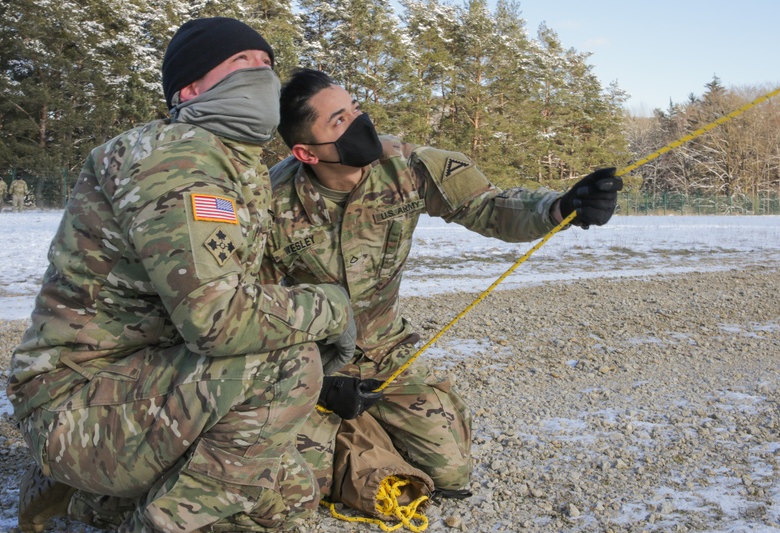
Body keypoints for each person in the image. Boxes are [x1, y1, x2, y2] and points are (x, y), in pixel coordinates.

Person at [8, 19, 360, 533]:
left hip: (132, 384)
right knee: (286, 364)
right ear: (190, 92)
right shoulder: (176, 160)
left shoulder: (230, 161)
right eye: (241, 62)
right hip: (75, 398)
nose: (262, 73)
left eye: (265, 60)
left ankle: (90, 491)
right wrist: (330, 309)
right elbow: (220, 321)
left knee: (290, 496)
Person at [267, 68, 623, 501]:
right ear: (306, 152)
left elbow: (488, 207)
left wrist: (561, 206)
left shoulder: (407, 166)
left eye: (355, 109)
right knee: (300, 491)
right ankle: (344, 431)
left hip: (385, 349)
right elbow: (252, 305)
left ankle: (359, 425)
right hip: (308, 360)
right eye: (338, 121)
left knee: (451, 473)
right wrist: (313, 382)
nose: (360, 124)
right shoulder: (269, 201)